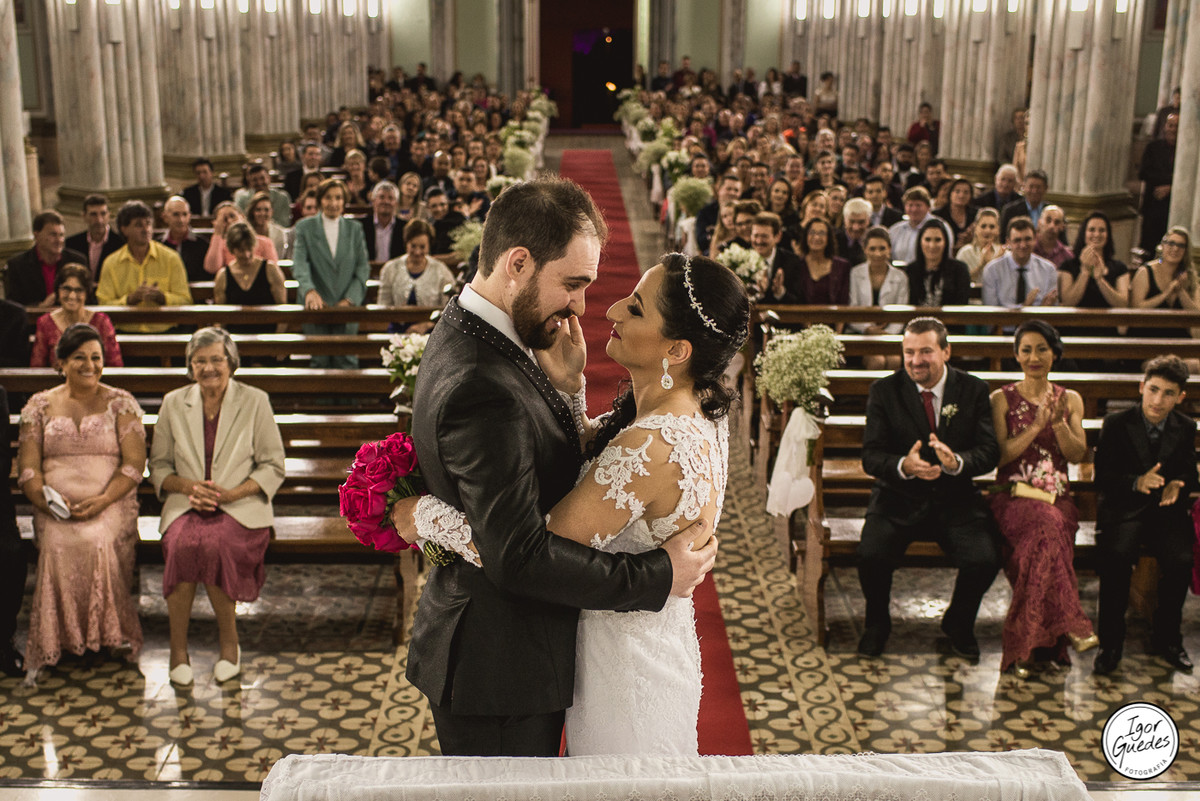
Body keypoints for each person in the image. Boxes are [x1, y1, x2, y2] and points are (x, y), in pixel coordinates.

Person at [399, 179, 720, 757]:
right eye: (573, 285)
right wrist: (657, 577)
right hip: (499, 669)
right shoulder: (480, 381)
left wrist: (568, 392)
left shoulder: (486, 331)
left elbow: (536, 467)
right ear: (517, 264)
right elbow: (518, 555)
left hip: (525, 655)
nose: (583, 307)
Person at [856, 316, 1000, 658]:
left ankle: (959, 623)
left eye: (925, 351)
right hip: (898, 497)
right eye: (908, 352)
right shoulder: (884, 391)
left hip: (956, 499)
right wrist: (903, 466)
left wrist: (958, 462)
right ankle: (877, 624)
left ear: (946, 351)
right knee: (871, 555)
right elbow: (871, 457)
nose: (915, 360)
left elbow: (989, 451)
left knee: (985, 558)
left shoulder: (974, 390)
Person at [148, 327, 285, 686]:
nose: (209, 368)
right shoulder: (173, 402)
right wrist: (190, 487)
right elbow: (159, 466)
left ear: (231, 363)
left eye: (216, 359)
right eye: (200, 361)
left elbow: (273, 465)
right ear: (190, 366)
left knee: (216, 544)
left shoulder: (255, 400)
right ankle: (178, 651)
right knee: (180, 544)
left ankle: (230, 646)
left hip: (240, 504)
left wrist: (231, 494)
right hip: (186, 502)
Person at [17, 323, 146, 683]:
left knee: (95, 539)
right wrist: (45, 499)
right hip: (54, 506)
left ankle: (109, 635)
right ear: (61, 363)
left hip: (110, 502)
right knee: (59, 542)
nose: (89, 365)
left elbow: (134, 465)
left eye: (96, 357)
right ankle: (59, 639)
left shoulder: (121, 403)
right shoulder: (39, 406)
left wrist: (103, 499)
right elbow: (28, 468)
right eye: (79, 358)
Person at [988, 321, 1097, 676]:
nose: (1033, 357)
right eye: (1026, 350)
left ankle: (1027, 653)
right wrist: (1035, 426)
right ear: (1016, 355)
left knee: (1045, 543)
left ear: (1054, 353)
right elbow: (1000, 457)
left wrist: (1059, 423)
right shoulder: (1001, 399)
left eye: (1041, 349)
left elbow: (1078, 454)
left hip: (1057, 501)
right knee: (1047, 533)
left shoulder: (1071, 399)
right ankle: (1071, 624)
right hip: (1014, 497)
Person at [1093, 355, 1197, 675]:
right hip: (1123, 509)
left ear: (1180, 397)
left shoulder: (1185, 426)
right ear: (1141, 387)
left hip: (1165, 513)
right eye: (1153, 389)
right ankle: (1110, 644)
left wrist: (1179, 484)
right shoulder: (1116, 424)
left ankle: (1168, 638)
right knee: (1117, 556)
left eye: (1168, 393)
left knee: (1180, 559)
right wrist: (1137, 482)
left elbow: (1190, 475)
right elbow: (1103, 479)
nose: (1158, 399)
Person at [291, 178, 369, 369]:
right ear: (320, 200)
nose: (333, 203)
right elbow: (299, 264)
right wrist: (309, 291)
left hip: (347, 305)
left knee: (347, 361)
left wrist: (350, 299)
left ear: (344, 201)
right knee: (320, 362)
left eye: (338, 198)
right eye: (328, 198)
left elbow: (362, 267)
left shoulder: (355, 229)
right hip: (317, 306)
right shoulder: (304, 227)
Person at [96, 201, 193, 333]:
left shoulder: (171, 258)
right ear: (124, 229)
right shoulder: (112, 263)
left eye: (148, 224)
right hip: (126, 332)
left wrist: (162, 298)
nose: (145, 229)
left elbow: (186, 300)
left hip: (165, 332)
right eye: (138, 225)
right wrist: (129, 300)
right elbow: (103, 305)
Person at [31, 264, 123, 368]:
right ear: (57, 291)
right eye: (66, 289)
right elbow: (37, 367)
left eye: (79, 290)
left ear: (87, 293)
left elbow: (115, 365)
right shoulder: (45, 323)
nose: (72, 296)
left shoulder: (101, 322)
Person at [378, 219, 455, 334]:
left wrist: (427, 325)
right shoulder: (390, 269)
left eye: (422, 247)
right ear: (406, 244)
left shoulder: (441, 271)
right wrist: (398, 314)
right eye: (413, 246)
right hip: (397, 330)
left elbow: (448, 309)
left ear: (429, 246)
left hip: (432, 330)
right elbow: (383, 306)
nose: (417, 252)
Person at [1057, 211, 1130, 330]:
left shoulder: (1119, 268)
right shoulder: (1068, 266)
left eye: (1102, 230)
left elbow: (1122, 304)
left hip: (1107, 329)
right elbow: (1068, 303)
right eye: (1091, 230)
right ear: (1084, 233)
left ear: (1108, 235)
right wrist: (1085, 272)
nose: (1096, 234)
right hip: (1074, 329)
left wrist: (1100, 280)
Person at [848, 228, 908, 369]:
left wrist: (886, 334)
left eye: (882, 248)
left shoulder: (900, 277)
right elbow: (852, 308)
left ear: (890, 249)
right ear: (865, 250)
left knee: (894, 361)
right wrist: (867, 329)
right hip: (862, 333)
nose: (878, 254)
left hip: (891, 334)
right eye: (872, 249)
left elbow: (901, 311)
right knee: (877, 361)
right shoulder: (856, 273)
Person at [212, 222, 287, 334]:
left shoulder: (270, 269)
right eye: (241, 250)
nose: (247, 254)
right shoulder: (223, 276)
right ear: (232, 249)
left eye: (249, 248)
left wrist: (277, 343)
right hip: (235, 335)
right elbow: (221, 317)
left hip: (268, 334)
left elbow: (283, 311)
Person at [4, 211, 86, 308]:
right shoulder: (17, 265)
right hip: (32, 321)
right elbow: (13, 307)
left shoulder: (77, 261)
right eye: (53, 235)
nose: (59, 240)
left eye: (61, 235)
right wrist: (40, 307)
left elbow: (88, 298)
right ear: (37, 235)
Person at [1128, 226, 1199, 339]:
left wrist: (1181, 292)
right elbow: (1137, 309)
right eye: (1171, 243)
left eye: (1181, 245)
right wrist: (1166, 293)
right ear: (1162, 246)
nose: (1175, 249)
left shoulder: (1189, 277)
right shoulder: (1145, 271)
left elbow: (1197, 317)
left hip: (1178, 339)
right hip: (1146, 336)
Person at [982, 218, 1058, 309]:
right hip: (1002, 322)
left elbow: (1052, 310)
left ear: (1035, 240)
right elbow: (990, 314)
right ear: (1008, 242)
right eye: (1017, 240)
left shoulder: (1048, 270)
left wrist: (1043, 308)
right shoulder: (992, 270)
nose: (1023, 245)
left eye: (1027, 239)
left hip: (1037, 321)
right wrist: (1025, 306)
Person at [203, 201, 279, 277]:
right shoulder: (220, 245)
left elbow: (273, 271)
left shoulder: (265, 242)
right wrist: (217, 233)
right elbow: (211, 268)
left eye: (232, 216)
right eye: (224, 219)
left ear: (242, 217)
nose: (229, 221)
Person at [906, 218, 971, 307]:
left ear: (945, 242)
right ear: (920, 242)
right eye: (927, 239)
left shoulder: (960, 270)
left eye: (938, 240)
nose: (932, 245)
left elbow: (961, 304)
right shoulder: (910, 270)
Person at [65, 194, 125, 285]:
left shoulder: (121, 244)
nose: (99, 220)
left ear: (109, 215)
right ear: (84, 216)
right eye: (93, 214)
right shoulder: (72, 244)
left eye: (103, 214)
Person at [1139, 113, 1177, 256]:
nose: (1173, 129)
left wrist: (1171, 188)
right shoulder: (1153, 147)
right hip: (1152, 207)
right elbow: (1144, 173)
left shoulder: (1185, 152)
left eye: (1177, 126)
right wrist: (1170, 181)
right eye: (1170, 125)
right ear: (1164, 127)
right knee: (1149, 249)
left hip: (1172, 209)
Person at [888, 186, 953, 264]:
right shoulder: (895, 230)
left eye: (918, 205)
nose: (914, 209)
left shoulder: (941, 227)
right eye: (910, 205)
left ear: (928, 207)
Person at [793, 218, 850, 305]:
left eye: (822, 233)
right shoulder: (796, 265)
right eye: (812, 232)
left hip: (834, 317)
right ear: (806, 236)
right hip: (802, 317)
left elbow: (844, 302)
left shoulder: (842, 266)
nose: (816, 237)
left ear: (829, 238)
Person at [754, 212, 805, 304]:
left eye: (764, 236)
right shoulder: (741, 260)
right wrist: (757, 293)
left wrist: (780, 292)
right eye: (756, 235)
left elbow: (800, 301)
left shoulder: (792, 262)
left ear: (778, 237)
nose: (759, 241)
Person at [156, 195, 210, 282]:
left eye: (185, 214)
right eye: (176, 214)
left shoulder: (202, 244)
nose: (181, 220)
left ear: (189, 216)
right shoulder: (157, 245)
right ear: (165, 217)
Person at [360, 181, 405, 262]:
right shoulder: (361, 226)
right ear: (373, 201)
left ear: (396, 204)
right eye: (381, 197)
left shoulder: (405, 227)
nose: (386, 201)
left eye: (390, 198)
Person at [956, 208, 1003, 284]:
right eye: (983, 226)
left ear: (998, 230)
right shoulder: (965, 253)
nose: (987, 231)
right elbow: (959, 281)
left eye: (992, 227)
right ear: (975, 229)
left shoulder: (1003, 253)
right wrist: (982, 265)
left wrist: (997, 262)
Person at [932, 178, 977, 252]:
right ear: (950, 194)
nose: (961, 195)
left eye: (966, 192)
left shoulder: (976, 214)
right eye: (957, 191)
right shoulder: (937, 215)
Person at [245, 191, 288, 259]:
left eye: (266, 210)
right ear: (252, 212)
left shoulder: (279, 234)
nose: (262, 213)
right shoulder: (245, 232)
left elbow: (278, 258)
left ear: (271, 212)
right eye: (258, 210)